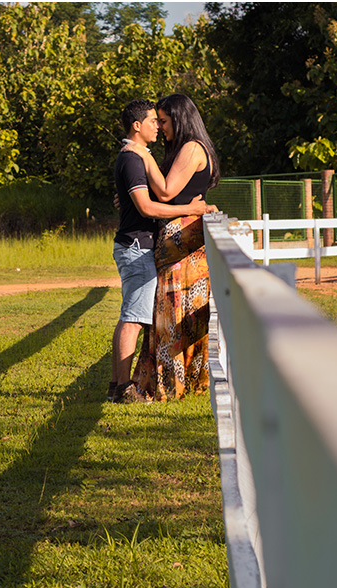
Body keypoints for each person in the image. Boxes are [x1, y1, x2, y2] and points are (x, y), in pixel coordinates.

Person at [111, 99, 212, 404]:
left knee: (142, 315)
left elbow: (161, 194)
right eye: (156, 121)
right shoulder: (134, 157)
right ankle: (125, 387)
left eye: (164, 121)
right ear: (138, 126)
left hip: (151, 243)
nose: (160, 126)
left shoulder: (183, 150)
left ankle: (126, 385)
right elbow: (153, 200)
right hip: (139, 244)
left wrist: (144, 157)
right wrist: (193, 207)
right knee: (136, 316)